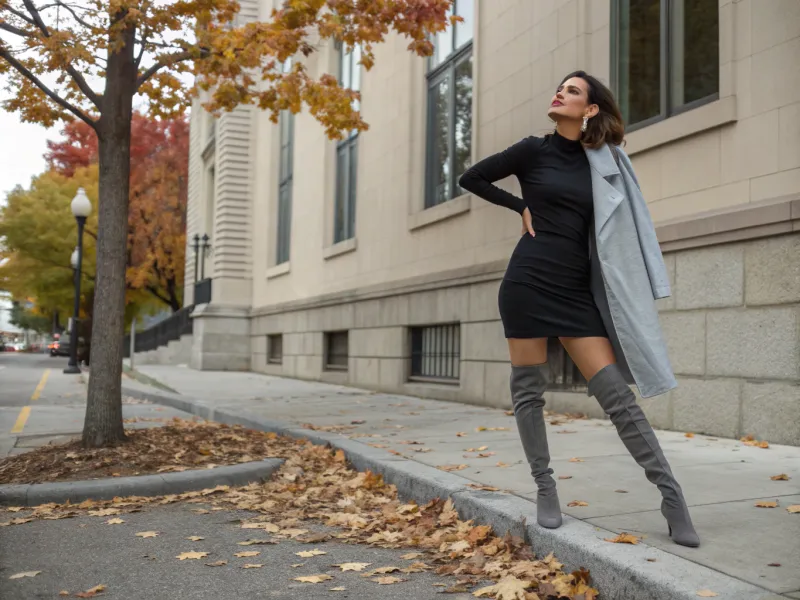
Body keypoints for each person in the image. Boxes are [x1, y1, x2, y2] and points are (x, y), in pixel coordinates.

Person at [458, 71, 700, 548]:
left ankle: (672, 497)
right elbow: (473, 177)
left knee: (618, 399)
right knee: (529, 392)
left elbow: (626, 225)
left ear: (590, 109)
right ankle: (545, 488)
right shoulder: (532, 150)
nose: (559, 93)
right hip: (527, 282)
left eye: (572, 90)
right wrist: (519, 206)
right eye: (559, 87)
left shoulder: (606, 162)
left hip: (575, 291)